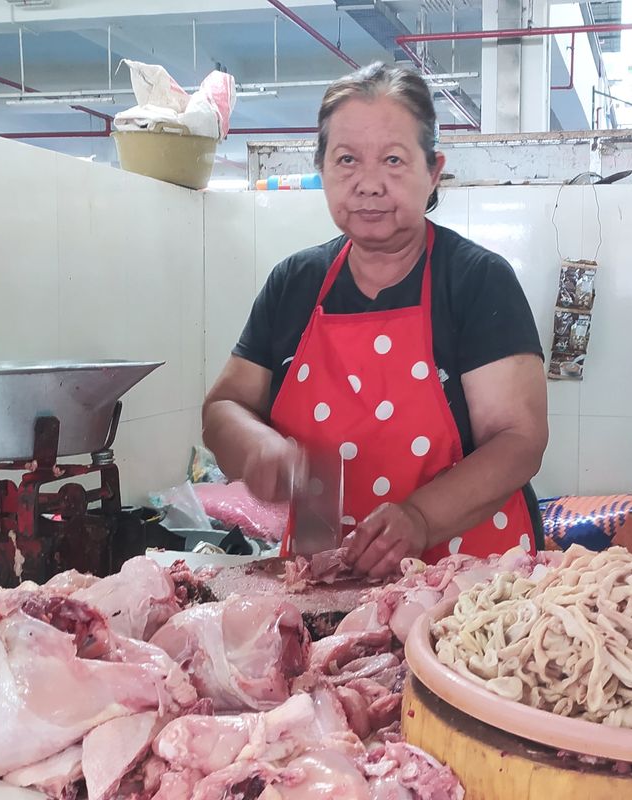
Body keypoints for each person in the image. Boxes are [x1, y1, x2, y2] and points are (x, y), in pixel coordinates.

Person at [202, 63, 548, 578]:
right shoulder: (294, 284)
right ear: (321, 167)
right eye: (346, 160)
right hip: (323, 577)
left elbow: (520, 440)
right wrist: (259, 446)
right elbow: (223, 407)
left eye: (392, 159)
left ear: (432, 171)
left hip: (471, 587)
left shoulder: (476, 281)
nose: (368, 184)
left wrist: (420, 518)